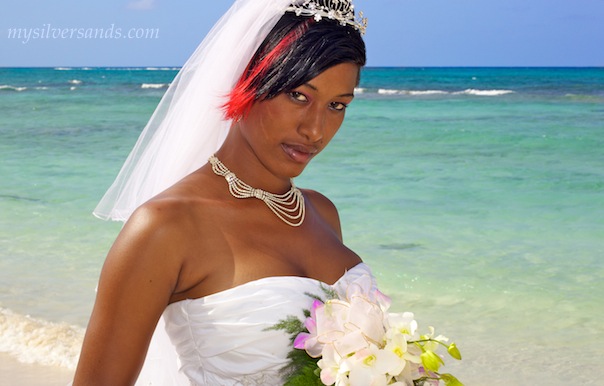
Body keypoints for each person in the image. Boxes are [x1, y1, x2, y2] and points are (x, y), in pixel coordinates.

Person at [73, 0, 371, 384]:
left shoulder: (322, 212)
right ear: (246, 79)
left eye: (336, 105)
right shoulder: (165, 226)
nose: (316, 130)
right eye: (298, 95)